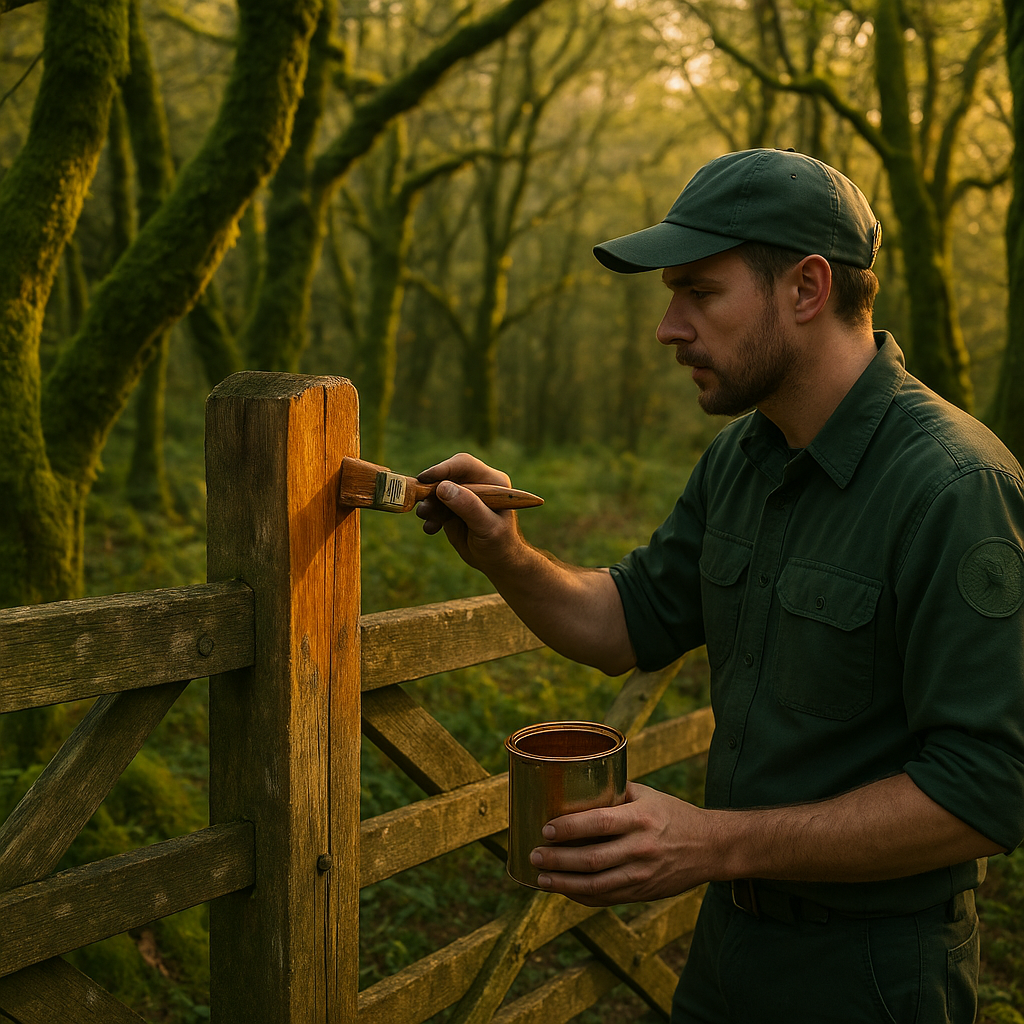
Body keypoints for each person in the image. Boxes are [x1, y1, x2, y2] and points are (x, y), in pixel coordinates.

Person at [415, 148, 1024, 1023]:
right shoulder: (744, 456)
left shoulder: (956, 490)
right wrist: (507, 553)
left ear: (807, 289)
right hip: (727, 952)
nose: (668, 326)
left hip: (876, 976)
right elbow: (628, 620)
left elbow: (984, 794)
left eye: (699, 292)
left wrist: (712, 842)